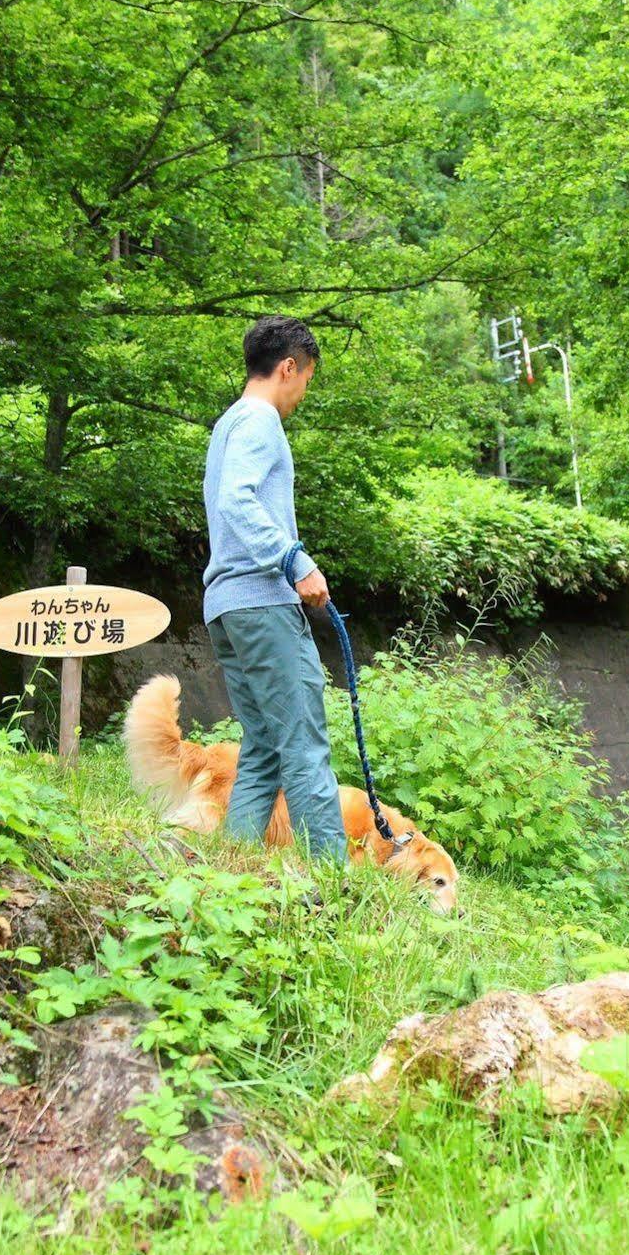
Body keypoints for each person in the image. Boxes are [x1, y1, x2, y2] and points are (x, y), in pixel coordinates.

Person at [202, 315, 348, 861]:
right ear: (289, 367)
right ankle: (335, 884)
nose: (304, 392)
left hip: (226, 607)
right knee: (303, 743)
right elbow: (236, 501)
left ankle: (230, 866)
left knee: (263, 744)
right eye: (307, 377)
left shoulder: (226, 426)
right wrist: (293, 559)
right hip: (261, 601)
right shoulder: (261, 421)